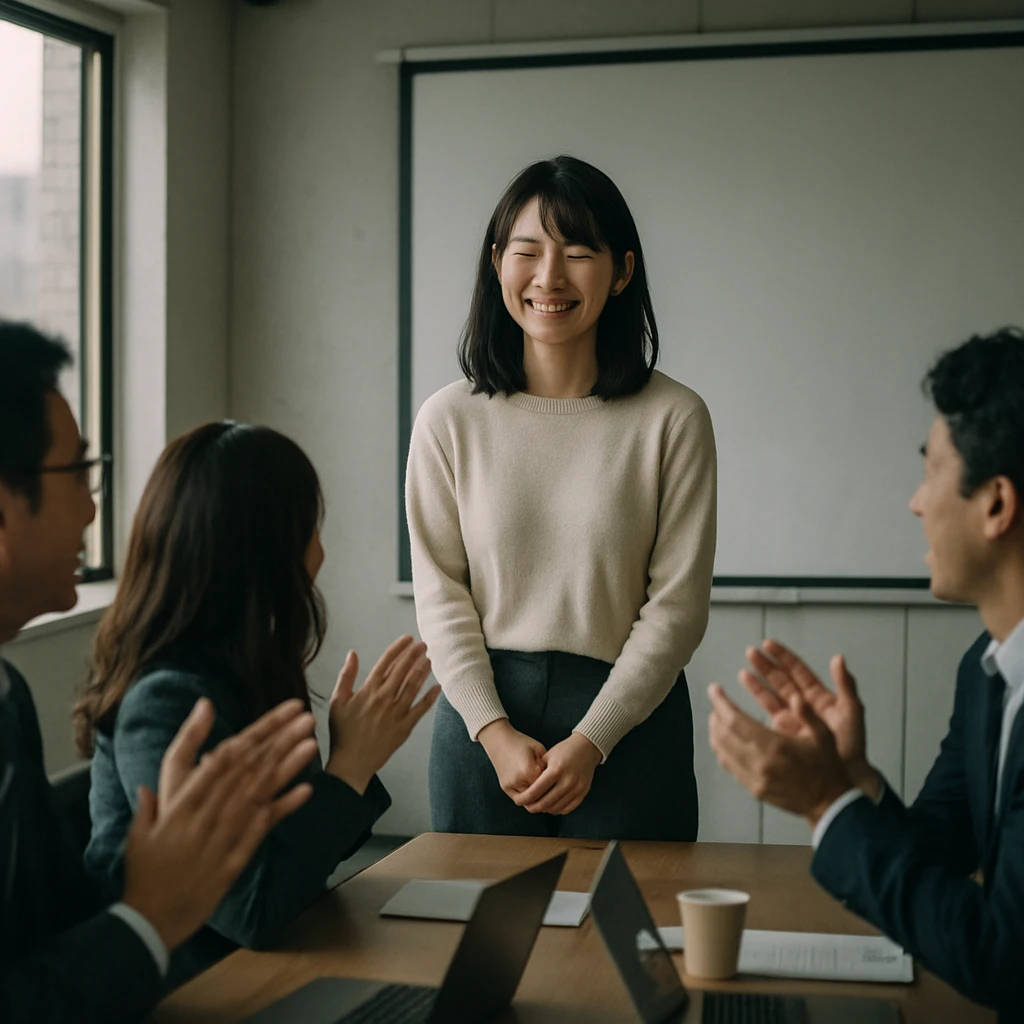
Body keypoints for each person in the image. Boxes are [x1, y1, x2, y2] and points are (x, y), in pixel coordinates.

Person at [0, 320, 320, 1022]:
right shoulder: (170, 695)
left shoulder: (7, 692)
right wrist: (148, 912)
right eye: (79, 472)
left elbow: (44, 927)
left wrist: (163, 874)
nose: (94, 505)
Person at [708, 327, 1024, 1020]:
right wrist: (852, 777)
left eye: (929, 472)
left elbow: (1005, 959)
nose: (915, 503)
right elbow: (937, 854)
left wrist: (825, 804)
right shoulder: (988, 669)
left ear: (996, 505)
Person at [406, 155, 717, 840]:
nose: (549, 277)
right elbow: (441, 594)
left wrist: (592, 740)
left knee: (629, 941)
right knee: (476, 939)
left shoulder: (673, 418)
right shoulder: (448, 419)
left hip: (627, 721)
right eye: (527, 252)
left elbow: (678, 606)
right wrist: (490, 730)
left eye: (578, 253)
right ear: (497, 263)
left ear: (622, 271)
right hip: (482, 716)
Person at [77, 419, 440, 987]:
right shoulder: (167, 703)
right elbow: (250, 912)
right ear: (268, 546)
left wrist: (352, 761)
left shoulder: (249, 666)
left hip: (275, 964)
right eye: (310, 525)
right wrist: (348, 770)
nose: (321, 547)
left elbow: (296, 859)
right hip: (194, 992)